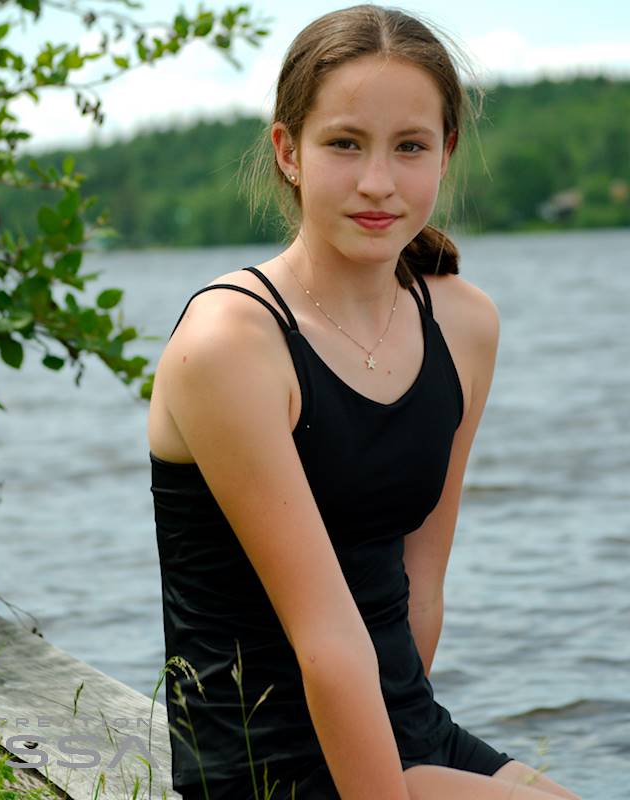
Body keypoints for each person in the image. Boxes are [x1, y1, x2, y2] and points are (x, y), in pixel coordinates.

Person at [148, 5, 582, 799]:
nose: (378, 182)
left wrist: (415, 752)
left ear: (446, 152)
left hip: (397, 717)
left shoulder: (464, 323)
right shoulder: (233, 343)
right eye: (344, 144)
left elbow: (422, 585)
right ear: (289, 152)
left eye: (410, 147)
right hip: (264, 756)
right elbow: (325, 636)